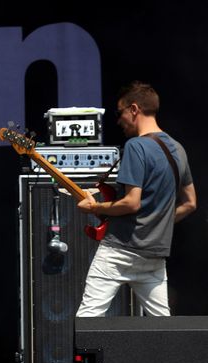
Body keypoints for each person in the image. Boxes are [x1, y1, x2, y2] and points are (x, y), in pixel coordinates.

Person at [76, 81, 196, 316]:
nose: (118, 120)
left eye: (119, 112)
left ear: (134, 109)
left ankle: (85, 355)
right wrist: (157, 224)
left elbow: (132, 202)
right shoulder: (179, 149)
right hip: (154, 255)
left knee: (88, 319)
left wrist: (95, 206)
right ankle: (168, 355)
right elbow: (191, 203)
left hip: (119, 251)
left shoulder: (136, 146)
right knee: (162, 326)